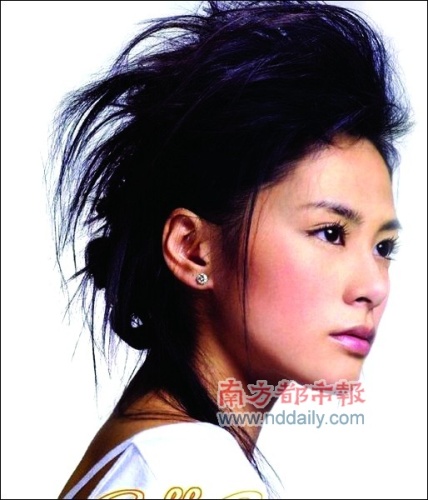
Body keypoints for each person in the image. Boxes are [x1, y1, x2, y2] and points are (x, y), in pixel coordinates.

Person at [52, 1, 410, 498]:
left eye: (384, 246)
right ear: (193, 250)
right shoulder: (190, 470)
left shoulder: (144, 455)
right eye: (330, 233)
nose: (374, 287)